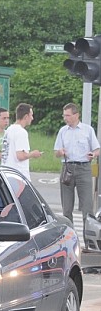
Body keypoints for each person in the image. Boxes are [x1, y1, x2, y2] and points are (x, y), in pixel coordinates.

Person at [54, 102, 100, 250]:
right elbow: (56, 151)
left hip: (83, 168)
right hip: (67, 168)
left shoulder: (87, 130)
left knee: (87, 207)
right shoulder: (63, 131)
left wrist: (93, 154)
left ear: (76, 115)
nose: (65, 118)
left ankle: (89, 243)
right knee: (67, 208)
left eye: (67, 115)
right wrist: (60, 152)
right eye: (64, 115)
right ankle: (70, 243)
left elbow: (97, 148)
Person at [1, 103, 41, 180]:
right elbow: (20, 156)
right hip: (18, 176)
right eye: (31, 115)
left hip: (7, 173)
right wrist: (33, 154)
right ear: (26, 117)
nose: (32, 118)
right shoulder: (21, 132)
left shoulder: (9, 130)